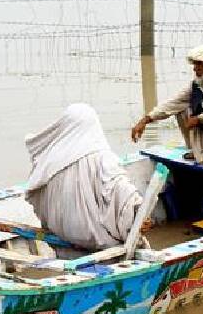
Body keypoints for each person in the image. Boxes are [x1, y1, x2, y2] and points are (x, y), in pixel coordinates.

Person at [24, 103, 151, 251]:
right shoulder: (102, 159)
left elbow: (37, 198)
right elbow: (119, 188)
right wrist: (138, 211)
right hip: (94, 241)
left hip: (62, 241)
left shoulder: (48, 162)